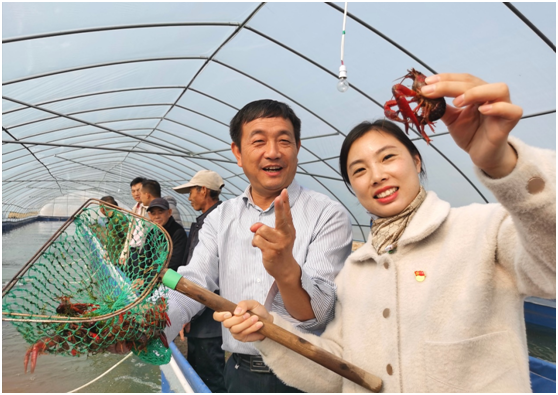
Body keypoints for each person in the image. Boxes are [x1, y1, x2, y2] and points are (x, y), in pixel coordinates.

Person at [215, 73, 556, 392]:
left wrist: (503, 165)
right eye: (359, 170)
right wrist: (269, 330)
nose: (376, 175)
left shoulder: (484, 229)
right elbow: (336, 373)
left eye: (388, 157)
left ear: (417, 160)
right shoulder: (356, 271)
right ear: (353, 188)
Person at [165, 99, 354, 393]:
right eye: (259, 141)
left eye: (284, 140)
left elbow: (319, 313)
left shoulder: (327, 214)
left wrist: (286, 269)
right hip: (240, 373)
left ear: (297, 148)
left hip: (308, 375)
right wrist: (151, 327)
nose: (273, 152)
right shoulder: (221, 217)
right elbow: (194, 283)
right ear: (237, 153)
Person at [172, 169, 226, 393]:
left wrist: (189, 312)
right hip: (201, 312)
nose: (189, 197)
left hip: (209, 318)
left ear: (204, 190)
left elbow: (207, 275)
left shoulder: (217, 222)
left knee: (210, 378)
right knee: (199, 373)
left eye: (192, 191)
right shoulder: (205, 220)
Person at [129, 198, 188, 289]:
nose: (157, 216)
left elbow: (174, 264)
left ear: (169, 212)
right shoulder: (153, 232)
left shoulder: (177, 232)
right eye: (153, 213)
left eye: (160, 212)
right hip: (151, 280)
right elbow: (144, 256)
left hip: (167, 283)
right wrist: (140, 277)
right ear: (149, 215)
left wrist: (148, 280)